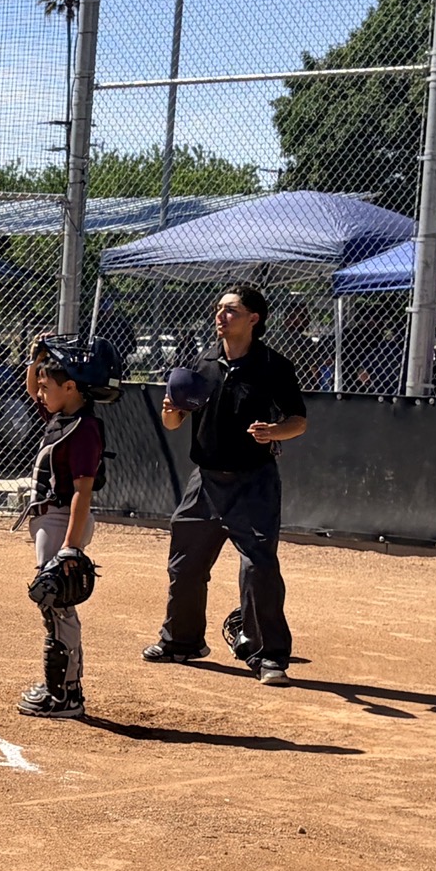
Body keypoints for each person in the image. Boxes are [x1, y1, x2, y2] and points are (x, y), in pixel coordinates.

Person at [147, 282, 308, 687]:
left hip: (253, 483)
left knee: (259, 568)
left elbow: (298, 421)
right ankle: (181, 641)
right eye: (219, 309)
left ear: (254, 319)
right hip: (204, 482)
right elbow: (173, 423)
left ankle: (267, 654)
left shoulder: (273, 366)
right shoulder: (202, 364)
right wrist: (171, 411)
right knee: (185, 567)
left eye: (231, 310)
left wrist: (274, 431)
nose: (221, 316)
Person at [16, 335, 116, 719]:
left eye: (47, 387)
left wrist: (71, 548)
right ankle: (62, 686)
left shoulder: (84, 429)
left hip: (62, 521)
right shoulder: (64, 416)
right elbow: (31, 386)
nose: (39, 393)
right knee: (54, 604)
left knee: (57, 603)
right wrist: (37, 358)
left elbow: (82, 492)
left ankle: (65, 695)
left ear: (71, 387)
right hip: (50, 520)